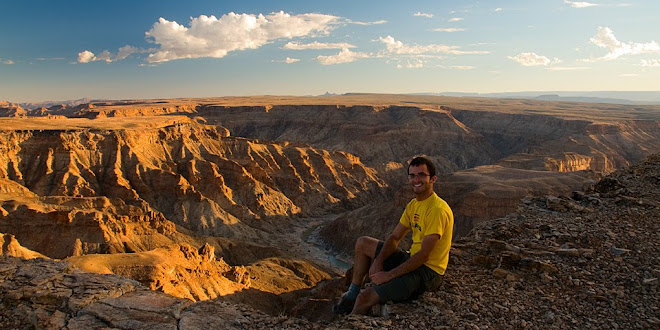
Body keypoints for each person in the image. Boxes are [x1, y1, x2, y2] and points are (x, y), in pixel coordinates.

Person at [332, 156, 454, 315]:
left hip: (427, 273)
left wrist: (388, 276)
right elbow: (395, 237)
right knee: (362, 243)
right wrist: (378, 261)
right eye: (412, 175)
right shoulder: (414, 205)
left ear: (433, 179)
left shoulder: (437, 210)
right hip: (412, 259)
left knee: (365, 298)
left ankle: (350, 321)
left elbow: (424, 256)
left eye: (422, 175)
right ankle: (352, 294)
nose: (416, 179)